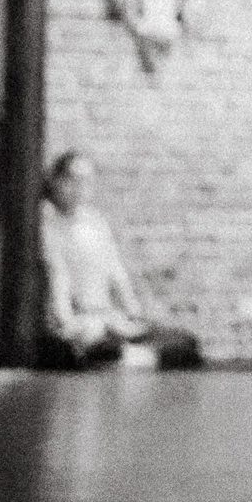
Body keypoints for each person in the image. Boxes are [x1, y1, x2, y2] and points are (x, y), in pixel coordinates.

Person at [37, 150, 200, 368]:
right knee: (78, 347)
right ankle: (117, 357)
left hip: (110, 319)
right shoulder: (49, 225)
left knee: (185, 345)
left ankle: (127, 358)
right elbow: (58, 276)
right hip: (82, 322)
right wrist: (67, 321)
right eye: (71, 180)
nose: (78, 188)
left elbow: (116, 272)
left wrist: (133, 312)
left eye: (85, 181)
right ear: (56, 181)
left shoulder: (96, 223)